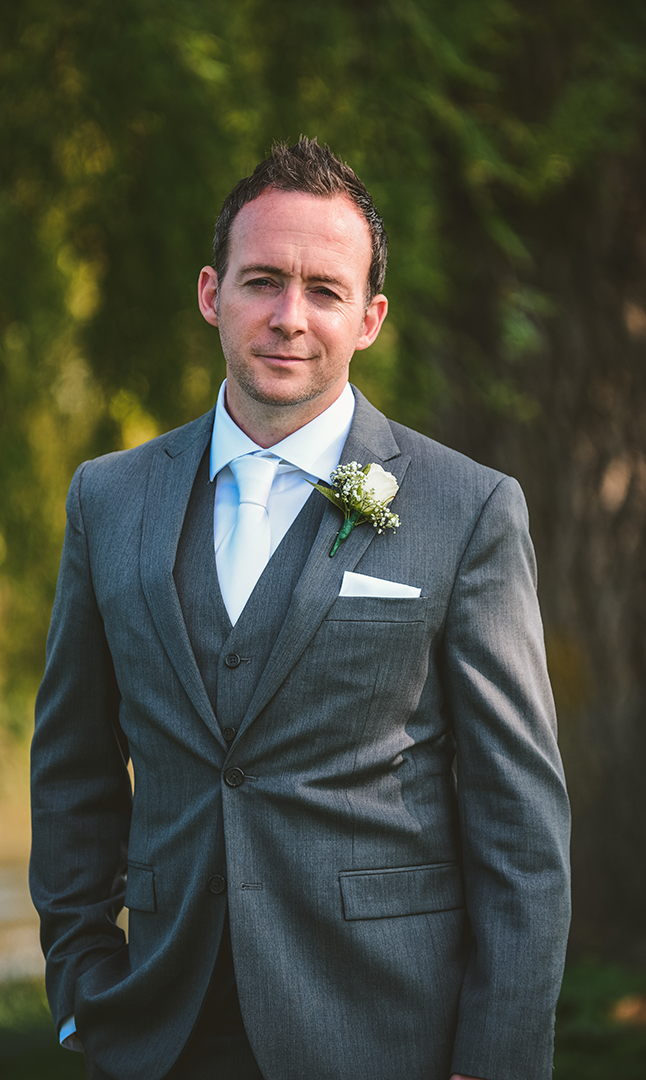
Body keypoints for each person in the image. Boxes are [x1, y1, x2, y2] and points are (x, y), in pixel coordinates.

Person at [30, 137, 571, 1080]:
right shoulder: (107, 499)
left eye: (325, 290)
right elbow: (72, 765)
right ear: (211, 293)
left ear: (369, 318)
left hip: (387, 1031)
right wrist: (80, 986)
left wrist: (499, 1060)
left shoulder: (467, 508)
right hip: (158, 1032)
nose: (290, 317)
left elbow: (518, 829)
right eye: (262, 281)